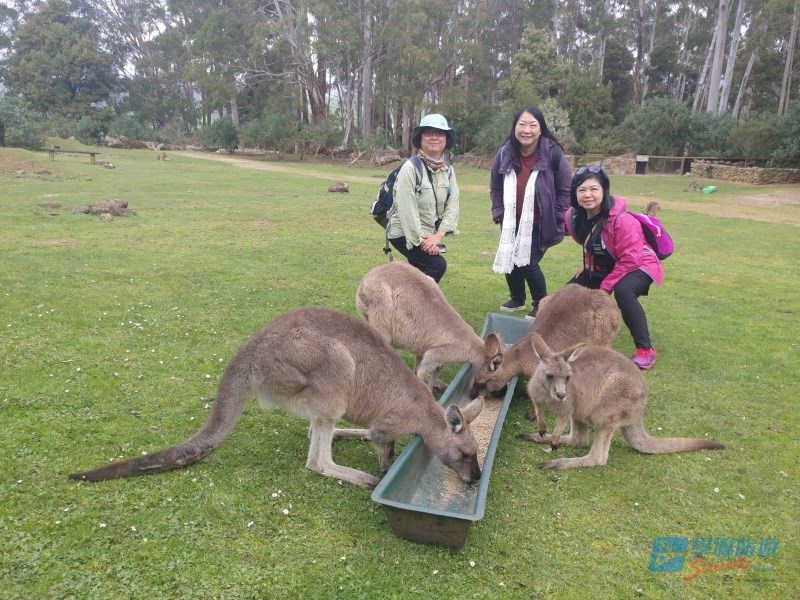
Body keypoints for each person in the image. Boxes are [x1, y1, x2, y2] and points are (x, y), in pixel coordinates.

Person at [564, 166, 664, 370]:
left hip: (640, 263)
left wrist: (605, 288)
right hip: (612, 263)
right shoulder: (579, 217)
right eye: (582, 190)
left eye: (593, 189)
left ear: (604, 191)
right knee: (571, 291)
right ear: (575, 194)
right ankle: (568, 338)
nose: (588, 195)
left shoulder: (623, 219)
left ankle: (645, 349)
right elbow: (593, 242)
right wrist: (588, 264)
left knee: (623, 291)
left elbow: (630, 259)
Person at [490, 105, 571, 320]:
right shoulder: (504, 153)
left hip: (542, 222)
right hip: (511, 219)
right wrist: (499, 211)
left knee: (528, 262)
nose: (527, 130)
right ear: (515, 127)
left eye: (533, 125)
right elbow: (496, 186)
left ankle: (541, 304)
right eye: (522, 124)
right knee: (510, 257)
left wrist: (558, 216)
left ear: (541, 128)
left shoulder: (553, 154)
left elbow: (565, 190)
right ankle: (517, 298)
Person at [387, 113, 460, 283]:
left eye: (439, 133)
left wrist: (438, 236)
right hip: (403, 232)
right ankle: (419, 299)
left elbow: (453, 204)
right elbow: (407, 210)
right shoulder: (410, 169)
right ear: (420, 138)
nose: (434, 137)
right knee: (437, 265)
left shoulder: (448, 171)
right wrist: (423, 242)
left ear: (446, 139)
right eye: (428, 133)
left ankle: (403, 299)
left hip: (429, 233)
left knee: (418, 271)